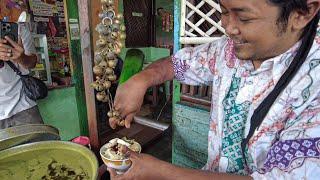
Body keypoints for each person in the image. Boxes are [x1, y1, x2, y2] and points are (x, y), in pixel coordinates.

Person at [108, 0, 320, 179]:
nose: (228, 28)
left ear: (303, 13)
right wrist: (141, 80)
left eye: (244, 18)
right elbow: (177, 65)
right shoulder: (227, 49)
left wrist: (162, 172)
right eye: (224, 11)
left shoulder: (314, 88)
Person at [0, 13, 43, 128]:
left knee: (38, 146)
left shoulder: (18, 29)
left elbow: (32, 63)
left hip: (23, 108)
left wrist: (21, 57)